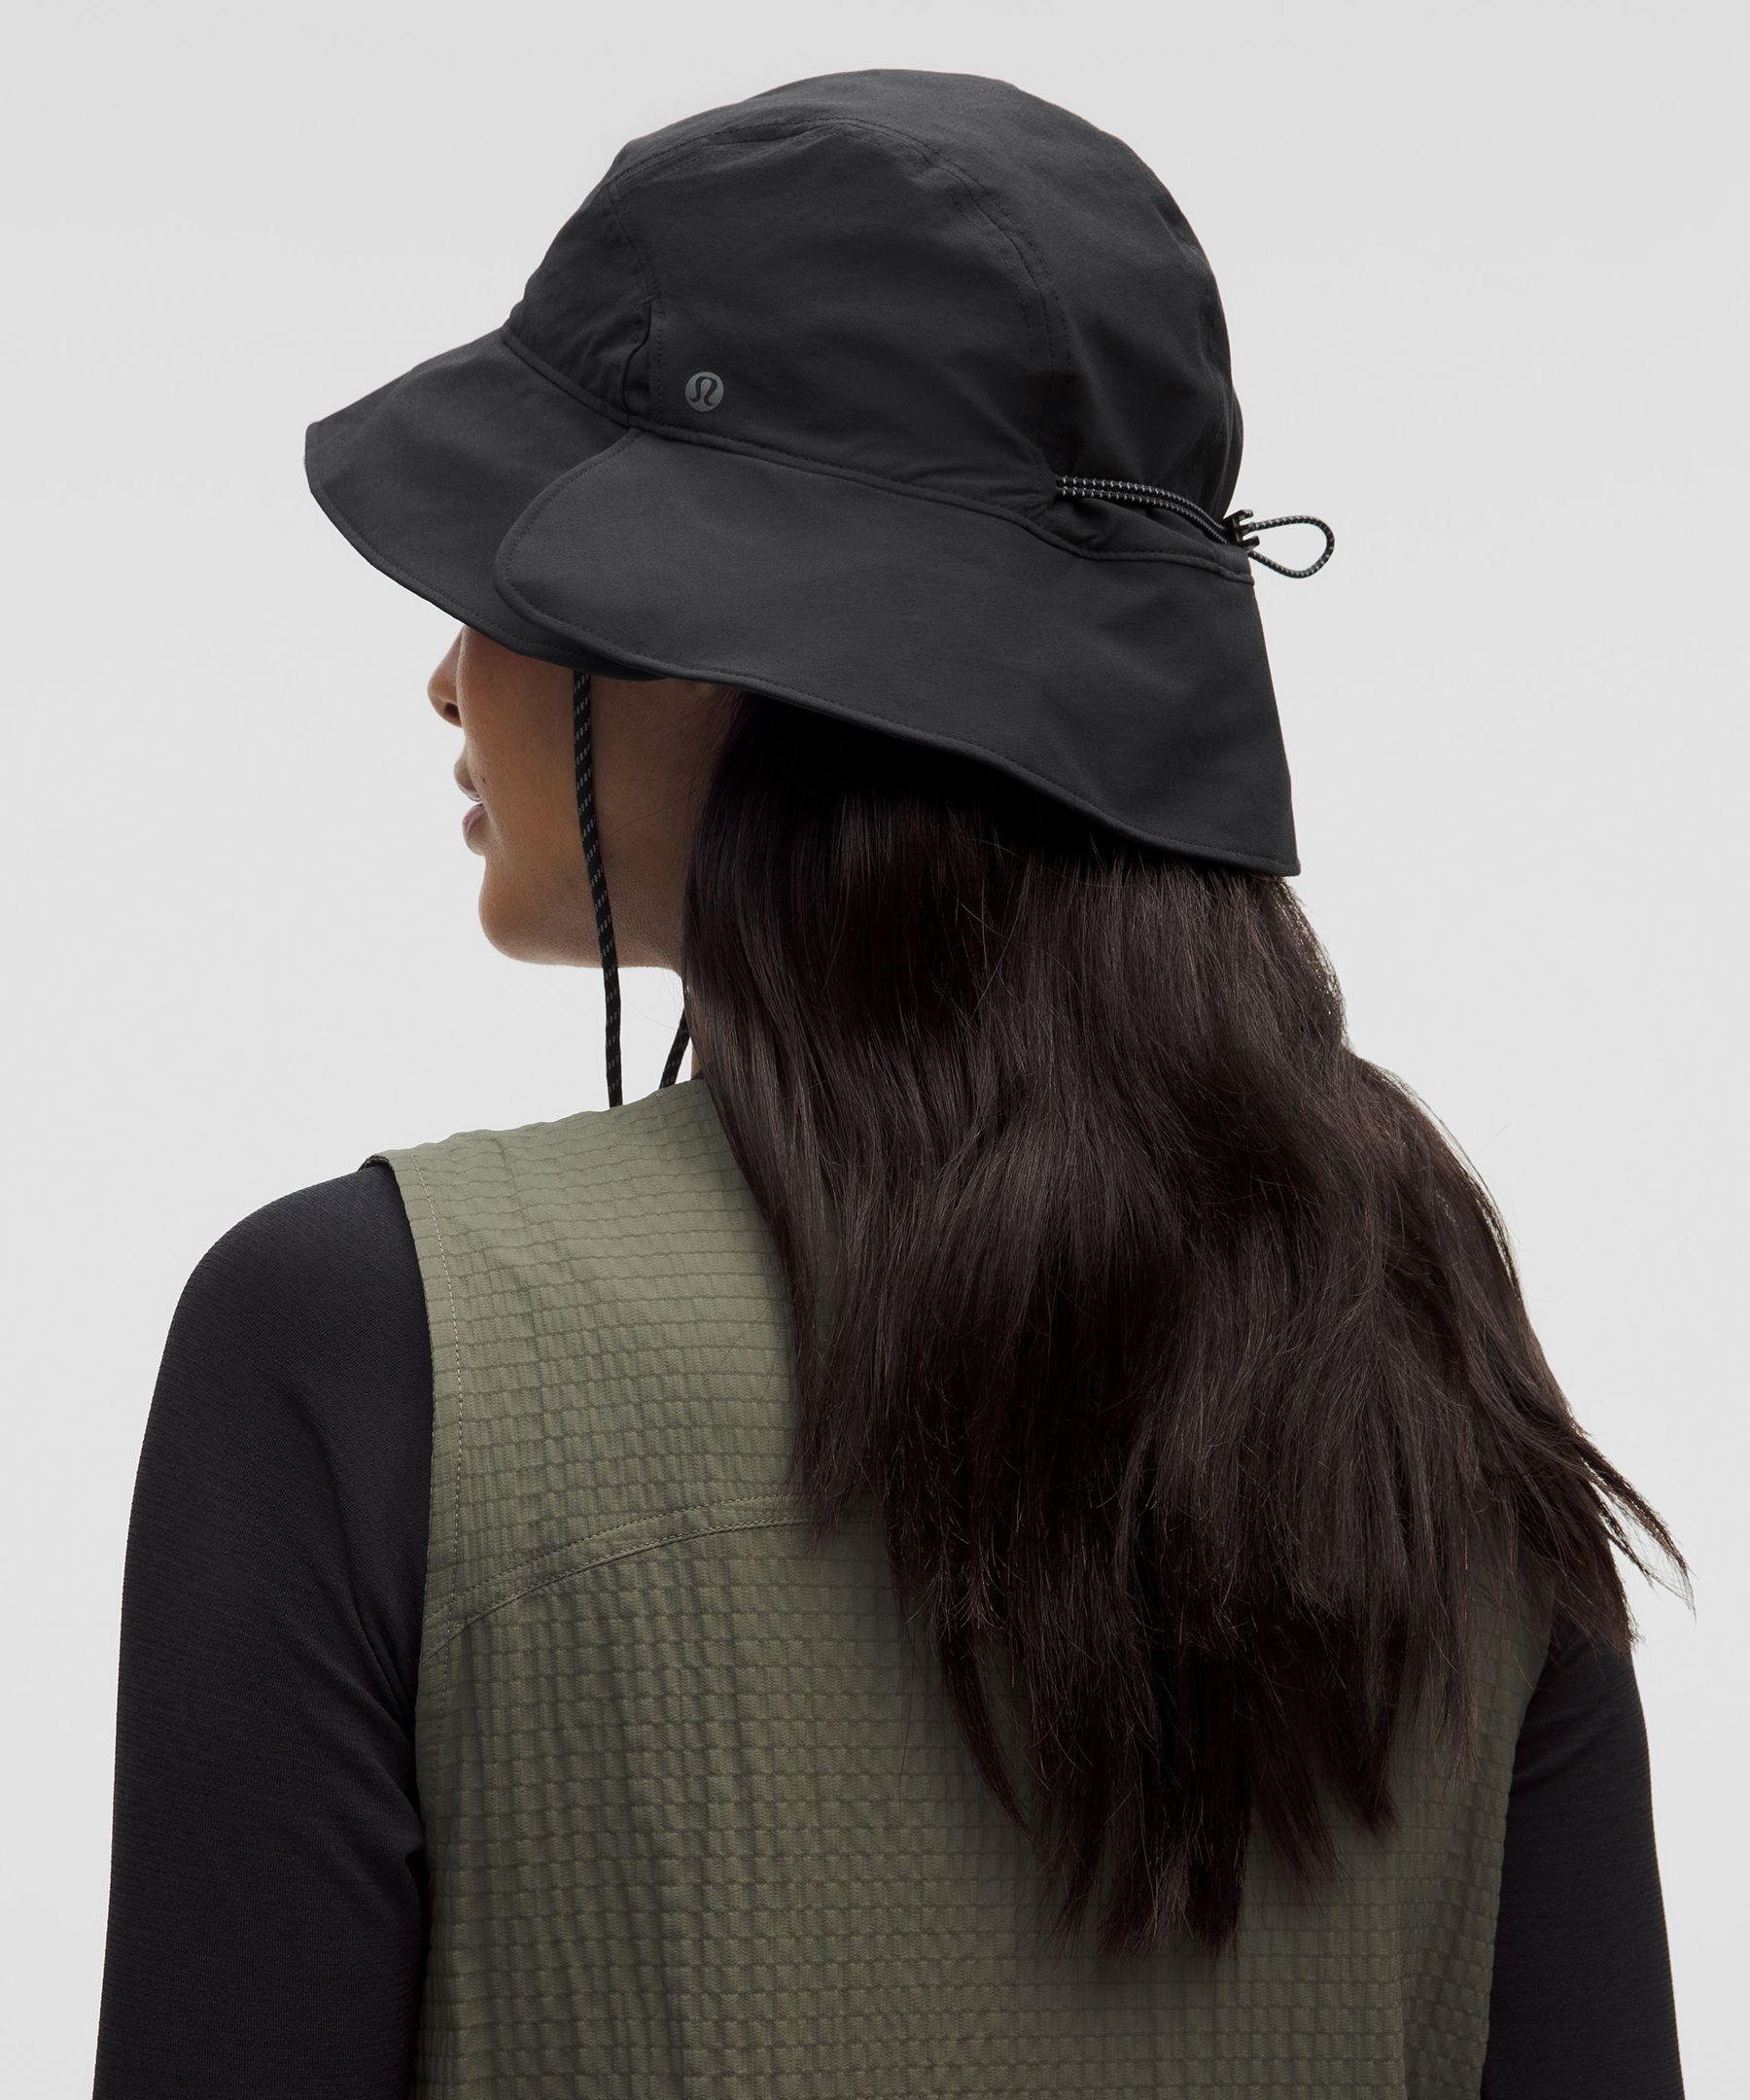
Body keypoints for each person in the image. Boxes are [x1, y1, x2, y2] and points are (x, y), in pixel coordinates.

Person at [91, 69, 1686, 2099]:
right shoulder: (1422, 1363)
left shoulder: (370, 1340)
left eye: (500, 580)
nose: (445, 674)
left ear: (702, 631)